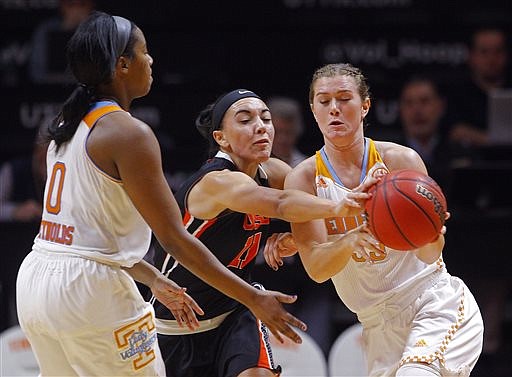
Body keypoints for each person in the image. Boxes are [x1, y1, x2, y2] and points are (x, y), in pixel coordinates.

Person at [15, 12, 311, 376]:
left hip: (37, 282)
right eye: (144, 52)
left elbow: (85, 240)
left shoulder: (68, 121)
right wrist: (253, 297)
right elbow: (174, 238)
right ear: (122, 65)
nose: (151, 60)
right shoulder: (129, 133)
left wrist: (153, 278)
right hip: (90, 289)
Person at [284, 63, 484, 376]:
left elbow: (431, 255)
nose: (334, 108)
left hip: (432, 303)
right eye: (324, 101)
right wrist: (351, 238)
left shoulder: (399, 161)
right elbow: (316, 269)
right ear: (313, 110)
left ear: (365, 106)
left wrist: (431, 233)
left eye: (344, 99)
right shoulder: (304, 180)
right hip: (376, 325)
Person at [151, 89, 368, 377]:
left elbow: (313, 200)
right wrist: (339, 207)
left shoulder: (273, 171)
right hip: (176, 323)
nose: (260, 126)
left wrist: (294, 239)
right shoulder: (216, 182)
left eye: (265, 118)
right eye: (245, 120)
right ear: (221, 138)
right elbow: (282, 204)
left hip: (235, 311)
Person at [252, 95, 335, 355]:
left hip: (308, 276)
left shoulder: (310, 170)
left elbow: (326, 222)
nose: (284, 138)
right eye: (280, 131)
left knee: (315, 350)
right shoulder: (249, 174)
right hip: (260, 273)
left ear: (297, 131)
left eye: (290, 131)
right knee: (258, 352)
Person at [448, 27, 511, 147]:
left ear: (506, 55)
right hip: (473, 160)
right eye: (484, 52)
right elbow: (455, 131)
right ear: (472, 56)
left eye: (498, 51)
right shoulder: (458, 93)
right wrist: (489, 140)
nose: (492, 59)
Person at [397, 75, 453, 192]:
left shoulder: (460, 154)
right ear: (400, 110)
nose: (417, 110)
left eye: (425, 101)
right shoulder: (385, 158)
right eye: (409, 103)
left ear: (440, 106)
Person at [29, 0, 96, 85]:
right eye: (71, 5)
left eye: (82, 4)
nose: (76, 10)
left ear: (91, 6)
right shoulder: (46, 30)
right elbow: (37, 73)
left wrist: (86, 28)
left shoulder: (103, 30)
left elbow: (106, 71)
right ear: (62, 6)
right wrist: (65, 31)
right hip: (54, 91)